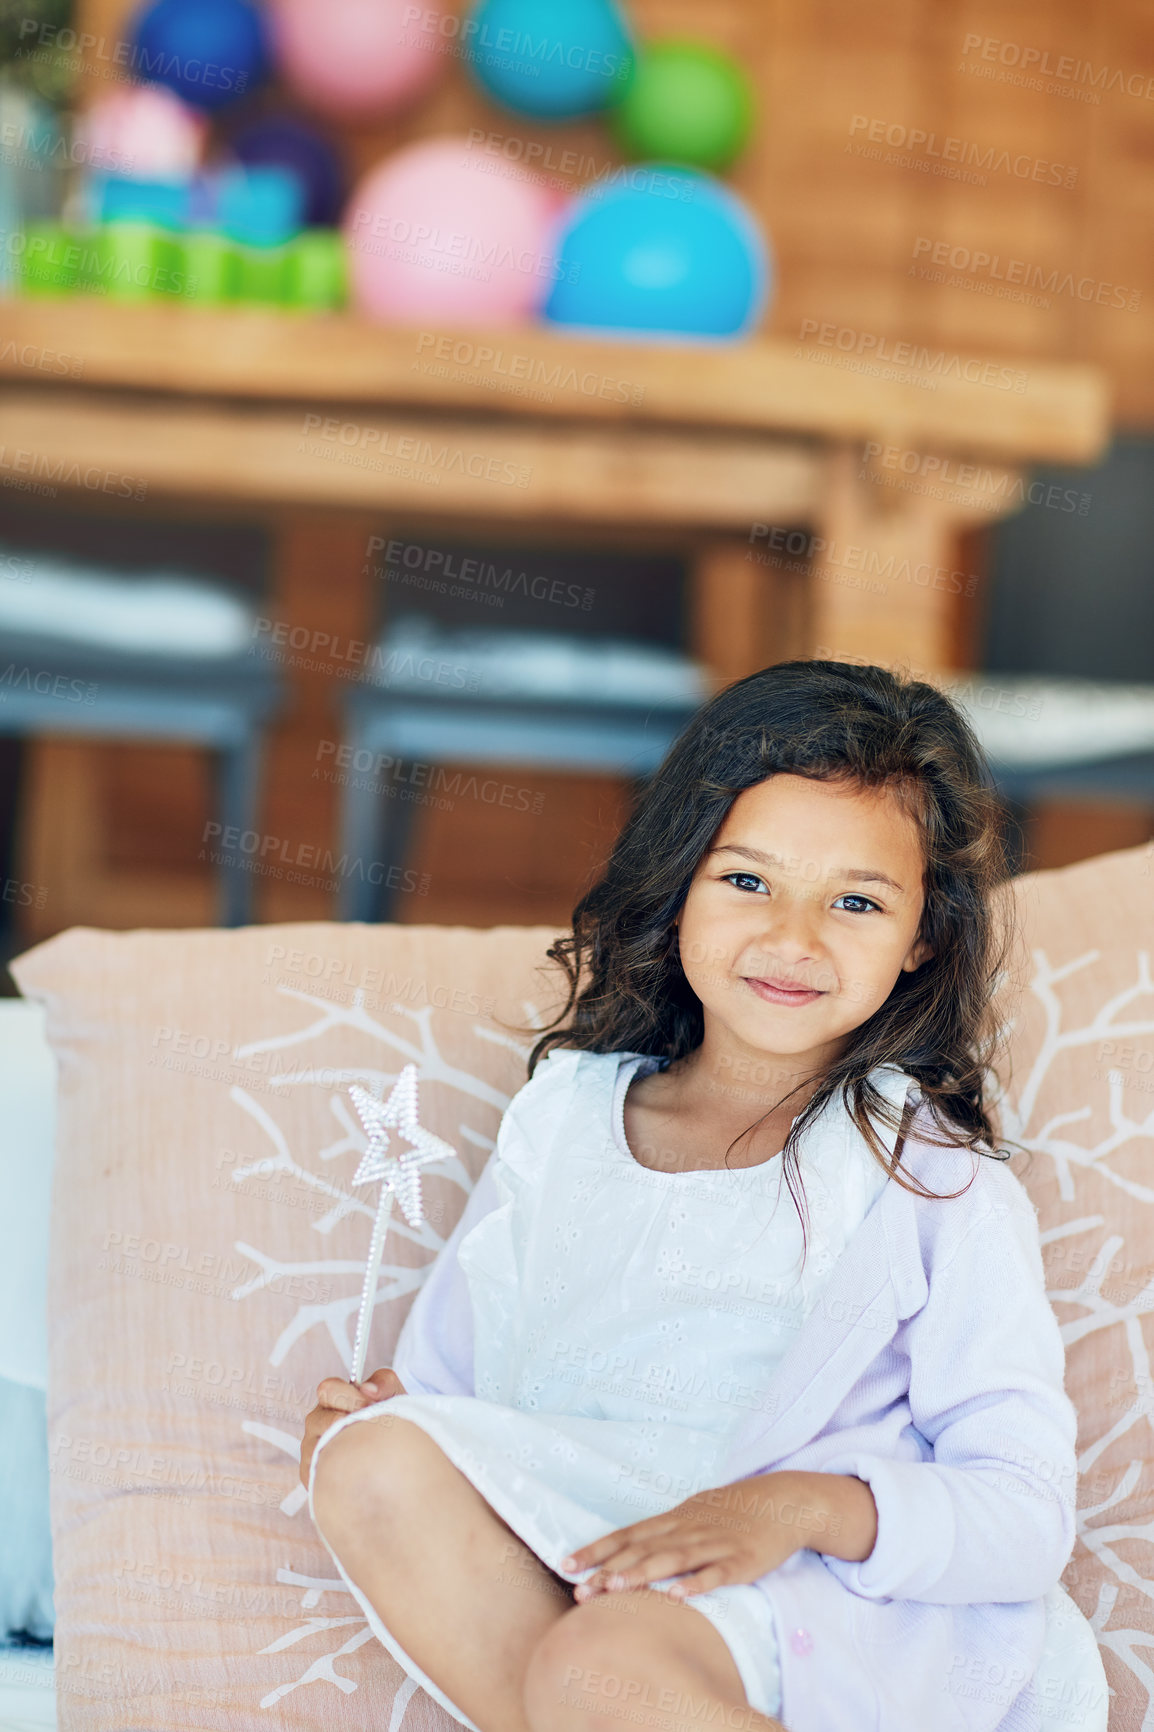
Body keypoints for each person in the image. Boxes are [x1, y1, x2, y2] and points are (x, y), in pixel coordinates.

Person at [299, 659, 1108, 1732]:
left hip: (831, 1601)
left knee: (603, 1665)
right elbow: (461, 1395)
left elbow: (1019, 1512)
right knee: (368, 1463)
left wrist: (788, 1508)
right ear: (677, 879)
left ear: (922, 937)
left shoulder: (927, 1175)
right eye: (745, 880)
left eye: (855, 901)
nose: (792, 938)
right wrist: (375, 1418)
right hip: (599, 1549)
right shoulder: (562, 1119)